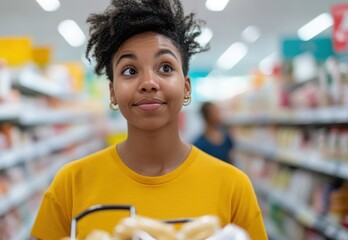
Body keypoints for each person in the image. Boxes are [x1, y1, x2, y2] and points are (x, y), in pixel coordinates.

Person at [31, 0, 267, 239]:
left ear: (186, 88)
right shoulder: (70, 183)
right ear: (112, 92)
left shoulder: (233, 186)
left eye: (165, 67)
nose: (148, 83)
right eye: (130, 71)